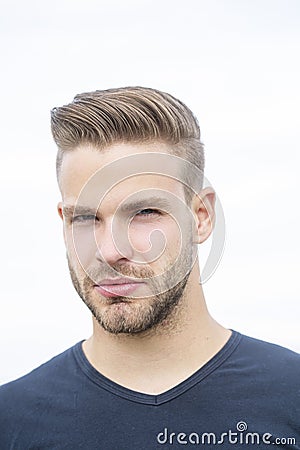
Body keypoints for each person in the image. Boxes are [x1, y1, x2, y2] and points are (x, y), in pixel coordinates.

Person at [0, 87, 299, 450]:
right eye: (84, 218)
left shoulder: (290, 398)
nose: (109, 251)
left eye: (144, 213)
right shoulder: (11, 421)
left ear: (201, 217)